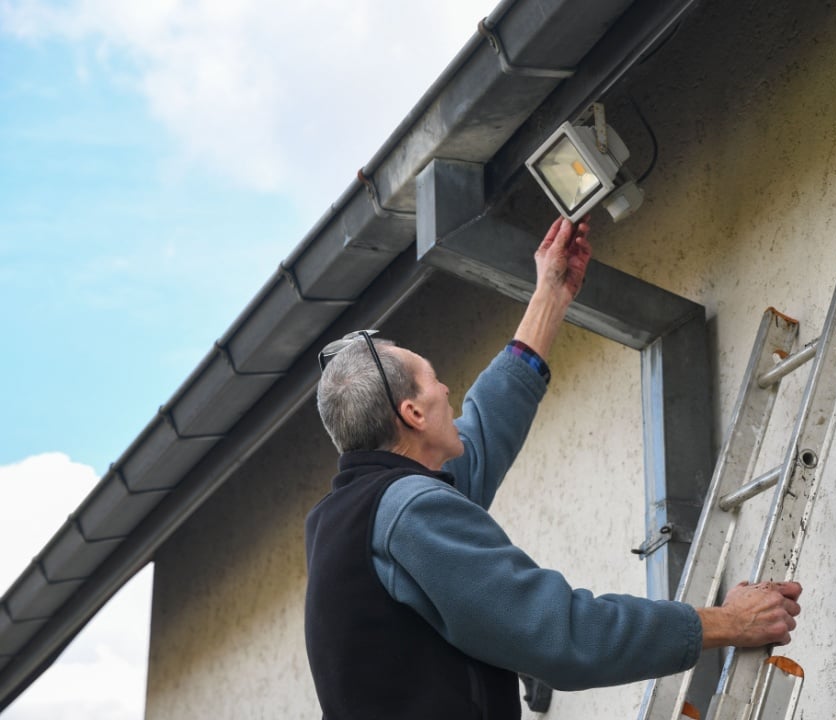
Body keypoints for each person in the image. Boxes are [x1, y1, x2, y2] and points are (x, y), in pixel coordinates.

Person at [304, 216, 802, 720]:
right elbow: (564, 635)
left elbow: (484, 430)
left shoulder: (350, 517)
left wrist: (551, 294)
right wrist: (729, 623)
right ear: (411, 414)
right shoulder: (411, 514)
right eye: (433, 381)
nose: (447, 390)